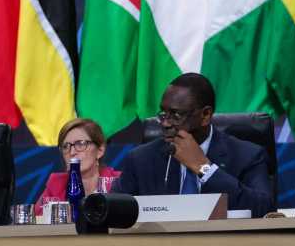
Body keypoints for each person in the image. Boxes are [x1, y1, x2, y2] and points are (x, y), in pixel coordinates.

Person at [112, 72, 274, 215]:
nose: (165, 123)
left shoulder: (247, 155)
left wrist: (204, 168)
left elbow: (264, 209)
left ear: (205, 115)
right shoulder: (140, 160)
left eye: (176, 115)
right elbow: (114, 211)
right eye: (163, 113)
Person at [35, 118, 121, 211]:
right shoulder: (56, 183)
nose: (72, 152)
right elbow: (37, 217)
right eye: (66, 146)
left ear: (100, 150)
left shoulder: (119, 182)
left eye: (80, 144)